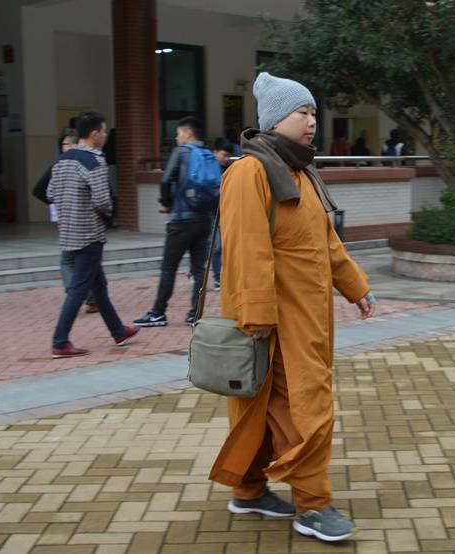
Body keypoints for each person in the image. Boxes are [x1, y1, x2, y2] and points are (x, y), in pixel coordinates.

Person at [208, 72, 377, 543]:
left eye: (313, 113)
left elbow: (326, 243)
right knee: (308, 409)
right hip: (269, 323)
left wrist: (356, 287)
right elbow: (245, 250)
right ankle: (313, 505)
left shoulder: (300, 172)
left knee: (262, 410)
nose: (311, 122)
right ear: (275, 119)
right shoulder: (249, 173)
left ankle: (247, 491)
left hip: (305, 321)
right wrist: (258, 317)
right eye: (302, 112)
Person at [46, 110, 139, 358]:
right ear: (95, 133)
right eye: (104, 131)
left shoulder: (62, 160)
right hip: (90, 233)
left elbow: (50, 193)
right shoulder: (95, 161)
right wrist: (107, 213)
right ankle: (60, 341)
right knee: (79, 289)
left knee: (99, 286)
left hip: (68, 232)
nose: (106, 136)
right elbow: (103, 201)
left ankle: (118, 331)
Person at [133, 116, 218, 328]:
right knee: (199, 269)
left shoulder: (181, 152)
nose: (177, 138)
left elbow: (165, 179)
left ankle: (158, 312)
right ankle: (195, 314)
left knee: (168, 268)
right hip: (204, 219)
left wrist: (166, 203)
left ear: (188, 133)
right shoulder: (209, 154)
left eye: (179, 133)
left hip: (181, 219)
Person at [32, 130, 97, 313]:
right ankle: (86, 296)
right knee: (76, 259)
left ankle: (80, 295)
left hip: (73, 221)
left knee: (71, 260)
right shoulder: (86, 163)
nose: (64, 148)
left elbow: (43, 191)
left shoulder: (61, 165)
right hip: (81, 221)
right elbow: (40, 190)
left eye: (66, 144)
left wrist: (59, 202)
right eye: (63, 144)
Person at [208, 137, 235, 289]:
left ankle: (218, 276)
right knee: (216, 246)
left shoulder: (227, 168)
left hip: (223, 211)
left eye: (228, 156)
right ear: (215, 152)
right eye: (224, 155)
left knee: (220, 246)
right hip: (211, 212)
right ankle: (218, 278)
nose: (226, 158)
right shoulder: (208, 167)